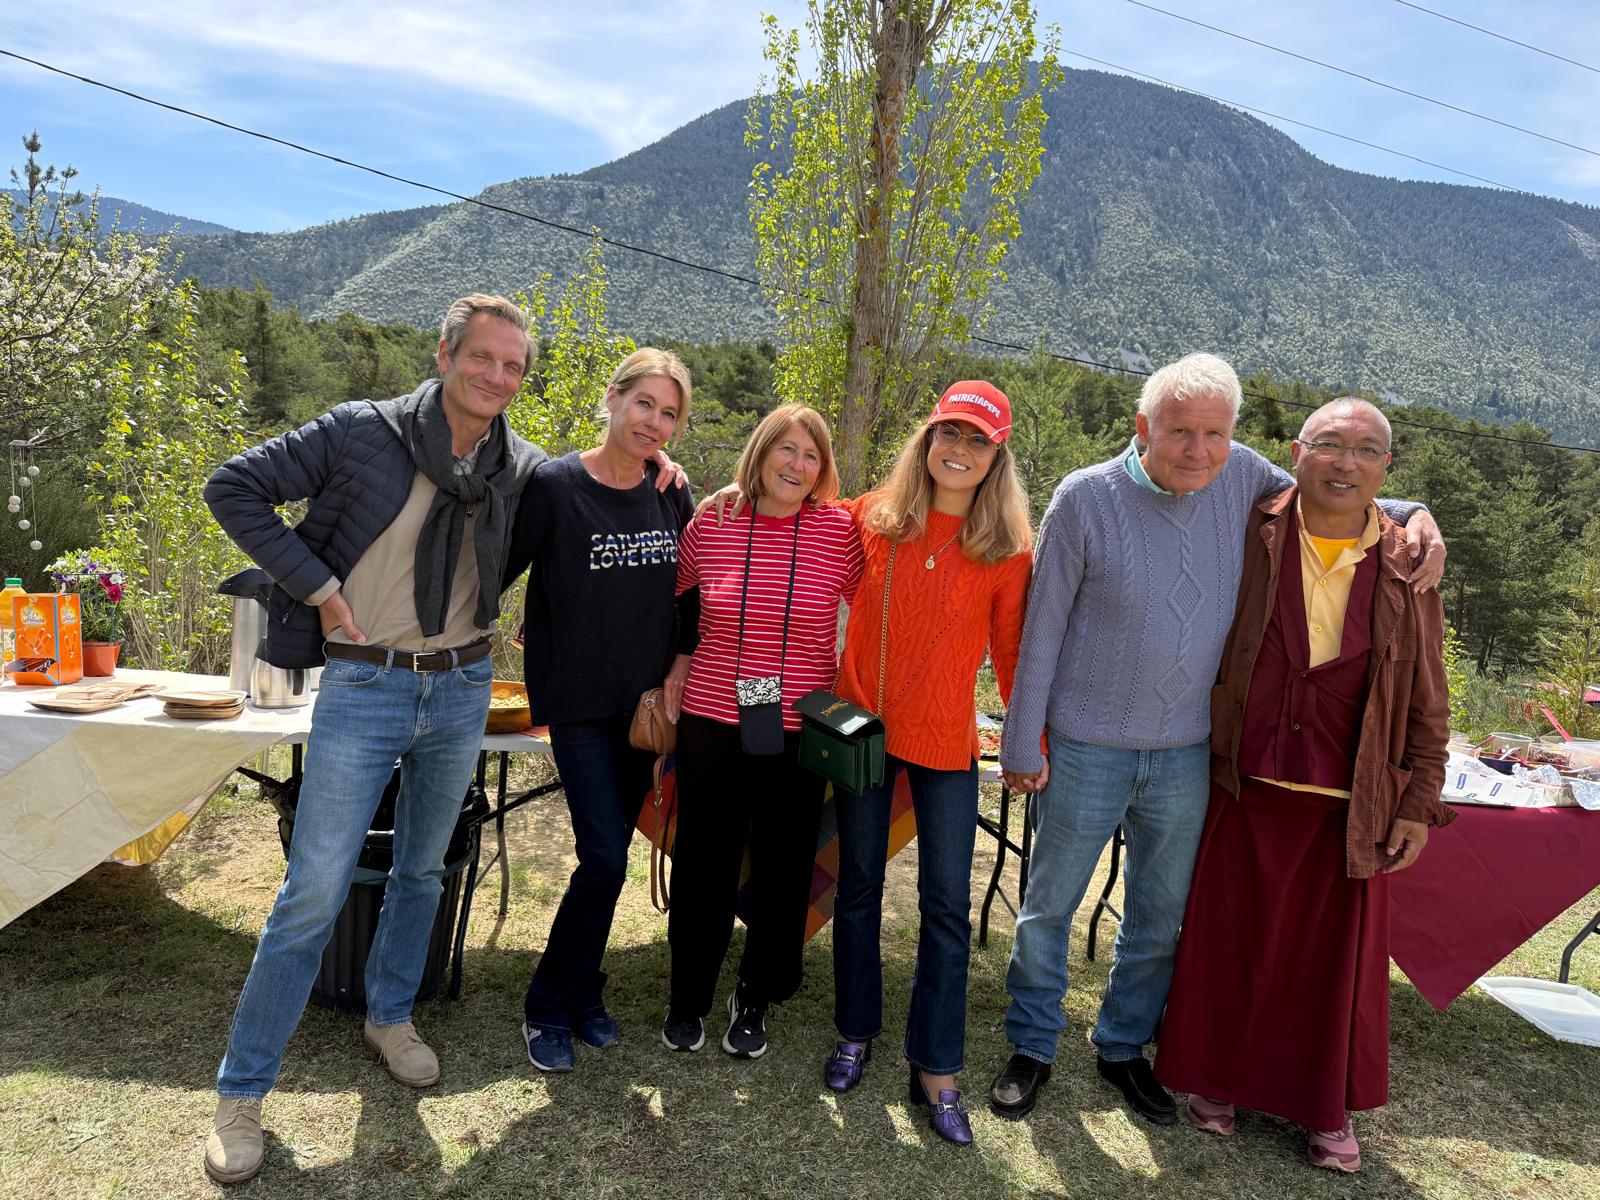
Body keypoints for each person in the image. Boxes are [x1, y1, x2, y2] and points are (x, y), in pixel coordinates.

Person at [989, 353, 1446, 1127]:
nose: (1197, 450)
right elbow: (1043, 631)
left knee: (1161, 917)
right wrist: (1020, 741)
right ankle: (1032, 1044)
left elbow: (1343, 483)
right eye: (1178, 432)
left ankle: (1122, 1046)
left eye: (1214, 434)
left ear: (1234, 439)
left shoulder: (1242, 480)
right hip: (1086, 743)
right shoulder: (1084, 498)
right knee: (1049, 907)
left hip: (1188, 753)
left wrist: (1419, 512)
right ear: (1143, 428)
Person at [200, 295, 546, 1185]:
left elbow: (598, 488)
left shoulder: (517, 466)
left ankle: (389, 1015)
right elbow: (230, 486)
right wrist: (316, 587)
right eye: (483, 358)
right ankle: (242, 1096)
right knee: (312, 892)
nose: (497, 378)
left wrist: (670, 472)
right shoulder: (364, 433)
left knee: (422, 869)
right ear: (444, 354)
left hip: (464, 686)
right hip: (363, 682)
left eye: (514, 366)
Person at [1154, 398, 1451, 1173]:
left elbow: (1428, 692)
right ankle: (1215, 1082)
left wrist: (1418, 801)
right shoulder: (1250, 528)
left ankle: (1323, 1111)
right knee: (1228, 941)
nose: (1344, 463)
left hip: (1347, 802)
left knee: (1328, 969)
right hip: (1246, 782)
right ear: (1297, 451)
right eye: (1329, 445)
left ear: (1387, 469)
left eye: (1366, 451)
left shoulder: (1405, 562)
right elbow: (1175, 450)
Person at [824, 381, 1034, 1147]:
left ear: (996, 457)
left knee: (946, 905)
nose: (959, 450)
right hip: (859, 731)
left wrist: (1024, 737)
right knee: (859, 887)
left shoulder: (1008, 549)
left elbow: (1010, 652)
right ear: (926, 438)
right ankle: (855, 1030)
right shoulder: (872, 519)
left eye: (978, 440)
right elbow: (796, 526)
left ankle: (936, 1066)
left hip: (948, 740)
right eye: (949, 432)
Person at [502, 348, 698, 1073]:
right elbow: (500, 569)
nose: (653, 421)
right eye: (643, 403)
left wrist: (680, 667)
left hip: (644, 709)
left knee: (608, 858)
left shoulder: (669, 492)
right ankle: (548, 1005)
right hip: (579, 704)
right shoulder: (554, 484)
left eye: (669, 412)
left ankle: (584, 991)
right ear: (613, 399)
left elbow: (691, 594)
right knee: (603, 857)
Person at [660, 403, 864, 1060]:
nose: (798, 466)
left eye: (812, 456)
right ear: (761, 452)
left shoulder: (841, 532)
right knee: (703, 865)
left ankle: (756, 994)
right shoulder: (714, 521)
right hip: (713, 721)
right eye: (787, 450)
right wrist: (674, 664)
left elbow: (881, 610)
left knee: (784, 869)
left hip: (799, 729)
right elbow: (677, 604)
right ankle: (687, 995)